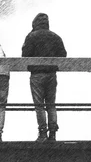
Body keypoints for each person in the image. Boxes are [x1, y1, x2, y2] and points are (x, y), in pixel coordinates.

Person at [21, 13, 67, 142]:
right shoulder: (55, 37)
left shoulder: (31, 36)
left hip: (37, 74)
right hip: (51, 74)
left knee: (39, 105)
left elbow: (25, 56)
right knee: (51, 104)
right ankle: (53, 133)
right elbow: (63, 55)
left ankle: (42, 133)